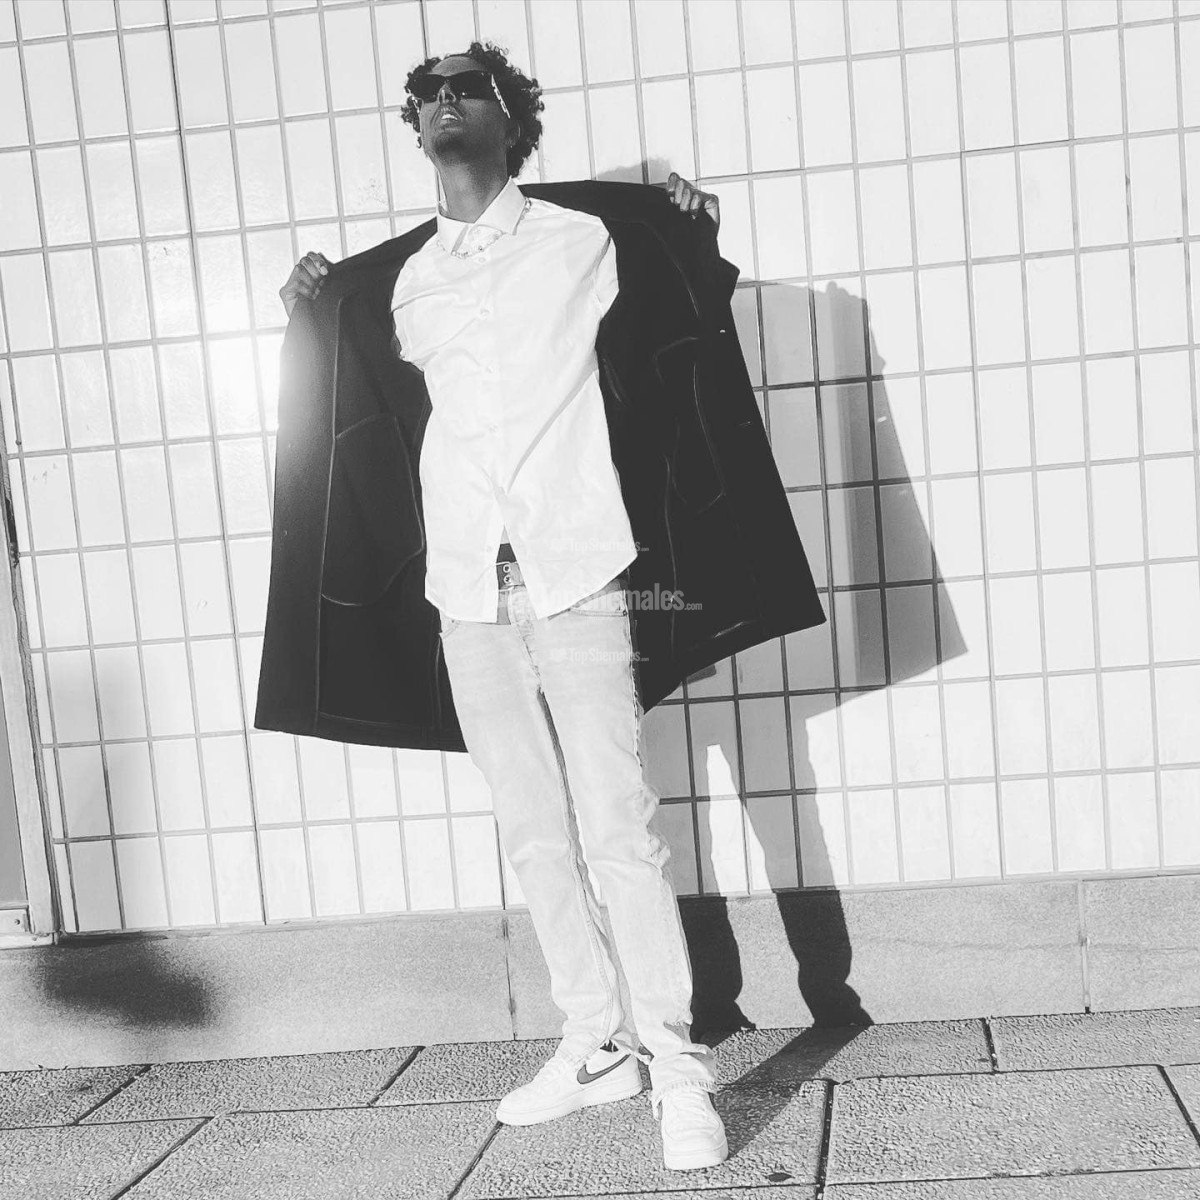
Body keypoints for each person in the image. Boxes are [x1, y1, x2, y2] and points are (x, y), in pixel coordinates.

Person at [266, 38, 825, 1175]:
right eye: (424, 94)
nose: (441, 102)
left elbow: (681, 316)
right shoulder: (399, 282)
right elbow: (357, 403)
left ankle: (677, 1066)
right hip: (468, 588)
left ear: (508, 118)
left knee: (618, 825)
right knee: (532, 829)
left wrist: (689, 226)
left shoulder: (590, 238)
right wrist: (312, 309)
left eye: (464, 87)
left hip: (577, 571)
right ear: (414, 128)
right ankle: (594, 1041)